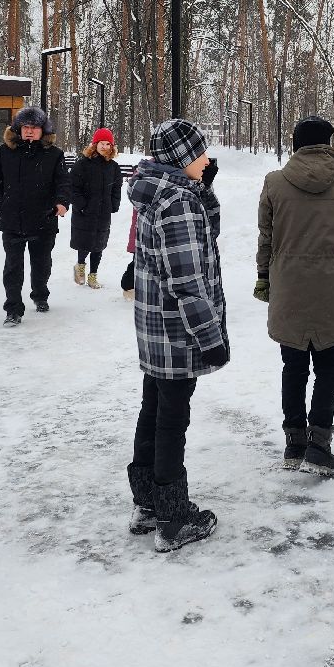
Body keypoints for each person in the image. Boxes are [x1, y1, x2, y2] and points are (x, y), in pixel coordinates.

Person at [125, 118, 227, 553]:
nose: (207, 160)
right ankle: (171, 515)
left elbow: (205, 238)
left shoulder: (161, 193)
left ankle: (148, 501)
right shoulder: (178, 204)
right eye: (201, 153)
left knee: (154, 409)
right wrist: (210, 335)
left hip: (155, 325)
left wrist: (203, 189)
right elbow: (187, 279)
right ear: (184, 157)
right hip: (178, 328)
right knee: (172, 418)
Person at [255, 116, 334, 478]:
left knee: (294, 367)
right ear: (328, 143)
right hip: (331, 286)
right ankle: (319, 446)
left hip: (289, 286)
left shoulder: (274, 182)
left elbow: (265, 238)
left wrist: (263, 278)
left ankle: (294, 442)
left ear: (296, 144)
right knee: (330, 369)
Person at [0, 105, 71, 327]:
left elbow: (63, 183)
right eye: (25, 127)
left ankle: (40, 294)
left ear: (43, 130)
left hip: (44, 220)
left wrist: (61, 203)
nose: (29, 131)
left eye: (34, 127)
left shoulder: (54, 155)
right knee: (13, 266)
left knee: (41, 265)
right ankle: (13, 309)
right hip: (12, 220)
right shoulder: (5, 152)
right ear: (18, 129)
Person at [70, 127, 124, 289]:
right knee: (85, 242)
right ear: (95, 144)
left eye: (108, 144)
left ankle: (93, 275)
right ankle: (80, 266)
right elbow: (73, 188)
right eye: (102, 143)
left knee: (99, 244)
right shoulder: (82, 164)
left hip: (103, 212)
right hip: (84, 213)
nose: (105, 147)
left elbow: (117, 188)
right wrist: (82, 205)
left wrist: (114, 205)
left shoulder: (113, 167)